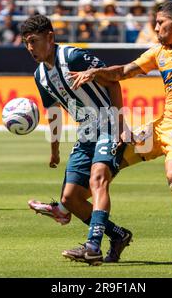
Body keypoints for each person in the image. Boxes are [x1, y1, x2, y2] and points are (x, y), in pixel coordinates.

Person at [69, 0, 172, 267]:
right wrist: (96, 72)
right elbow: (124, 72)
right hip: (161, 125)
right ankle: (105, 232)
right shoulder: (158, 53)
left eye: (160, 23)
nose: (155, 28)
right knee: (109, 160)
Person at [21, 14, 133, 266]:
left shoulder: (74, 57)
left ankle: (92, 247)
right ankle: (118, 235)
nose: (30, 48)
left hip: (108, 125)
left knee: (98, 181)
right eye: (26, 43)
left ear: (50, 37)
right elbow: (53, 113)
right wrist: (54, 149)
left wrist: (120, 126)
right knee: (69, 199)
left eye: (33, 41)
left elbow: (113, 82)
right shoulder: (40, 75)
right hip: (85, 133)